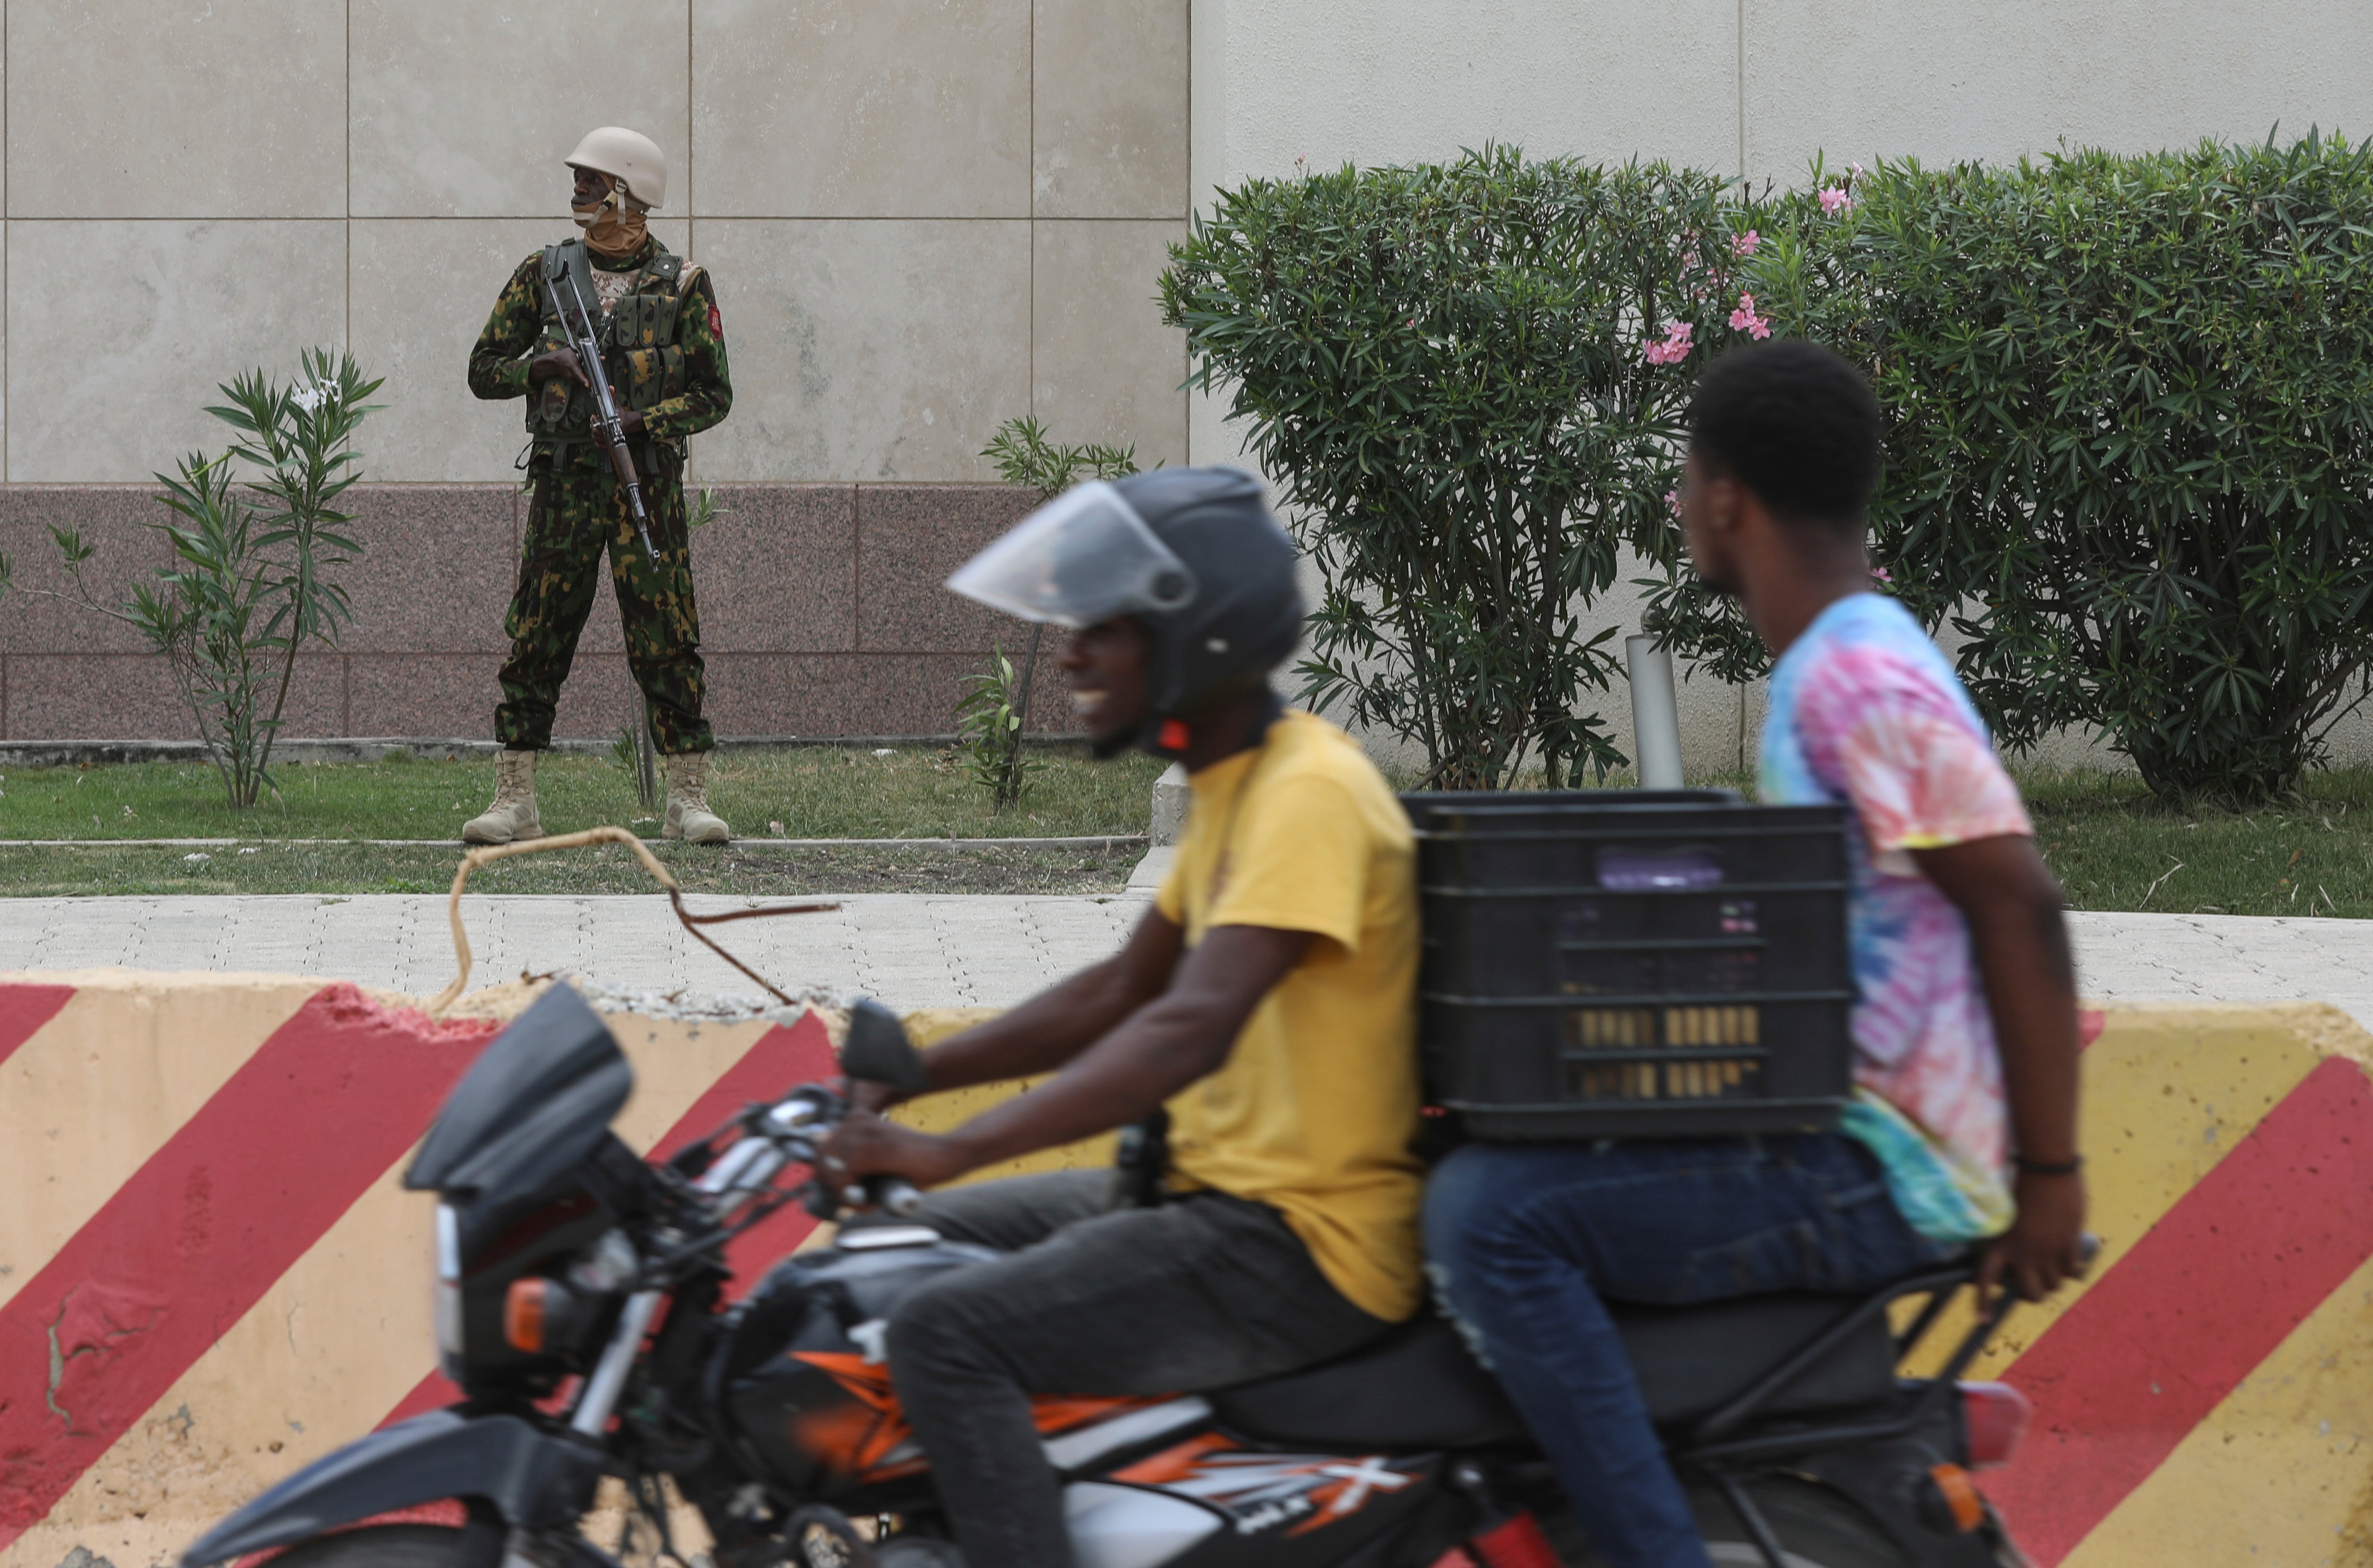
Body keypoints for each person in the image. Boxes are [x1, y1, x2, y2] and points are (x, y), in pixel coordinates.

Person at [1422, 340, 2089, 1568]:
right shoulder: (1831, 660)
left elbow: (2021, 905)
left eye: (1686, 481)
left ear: (1726, 498)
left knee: (1490, 1220)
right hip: (1835, 1118)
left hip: (1889, 1163)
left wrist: (2052, 1173)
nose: (1681, 506)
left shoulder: (1860, 678)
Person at [816, 468, 1425, 1568]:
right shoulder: (1243, 784)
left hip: (1297, 1243)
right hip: (1210, 1194)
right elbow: (1119, 990)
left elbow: (1183, 1029)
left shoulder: (1309, 797)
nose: (1072, 654)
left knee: (943, 1334)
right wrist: (915, 1076)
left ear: (1200, 631)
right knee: (893, 1255)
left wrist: (949, 1151)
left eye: (1104, 627)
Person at [462, 126, 735, 846]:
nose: (577, 190)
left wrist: (648, 419)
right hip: (564, 491)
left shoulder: (682, 284)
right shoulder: (546, 273)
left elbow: (715, 395)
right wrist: (541, 368)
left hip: (646, 490)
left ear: (627, 192)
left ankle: (688, 797)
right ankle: (514, 797)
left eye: (590, 180)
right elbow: (484, 366)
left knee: (668, 636)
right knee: (538, 635)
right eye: (578, 179)